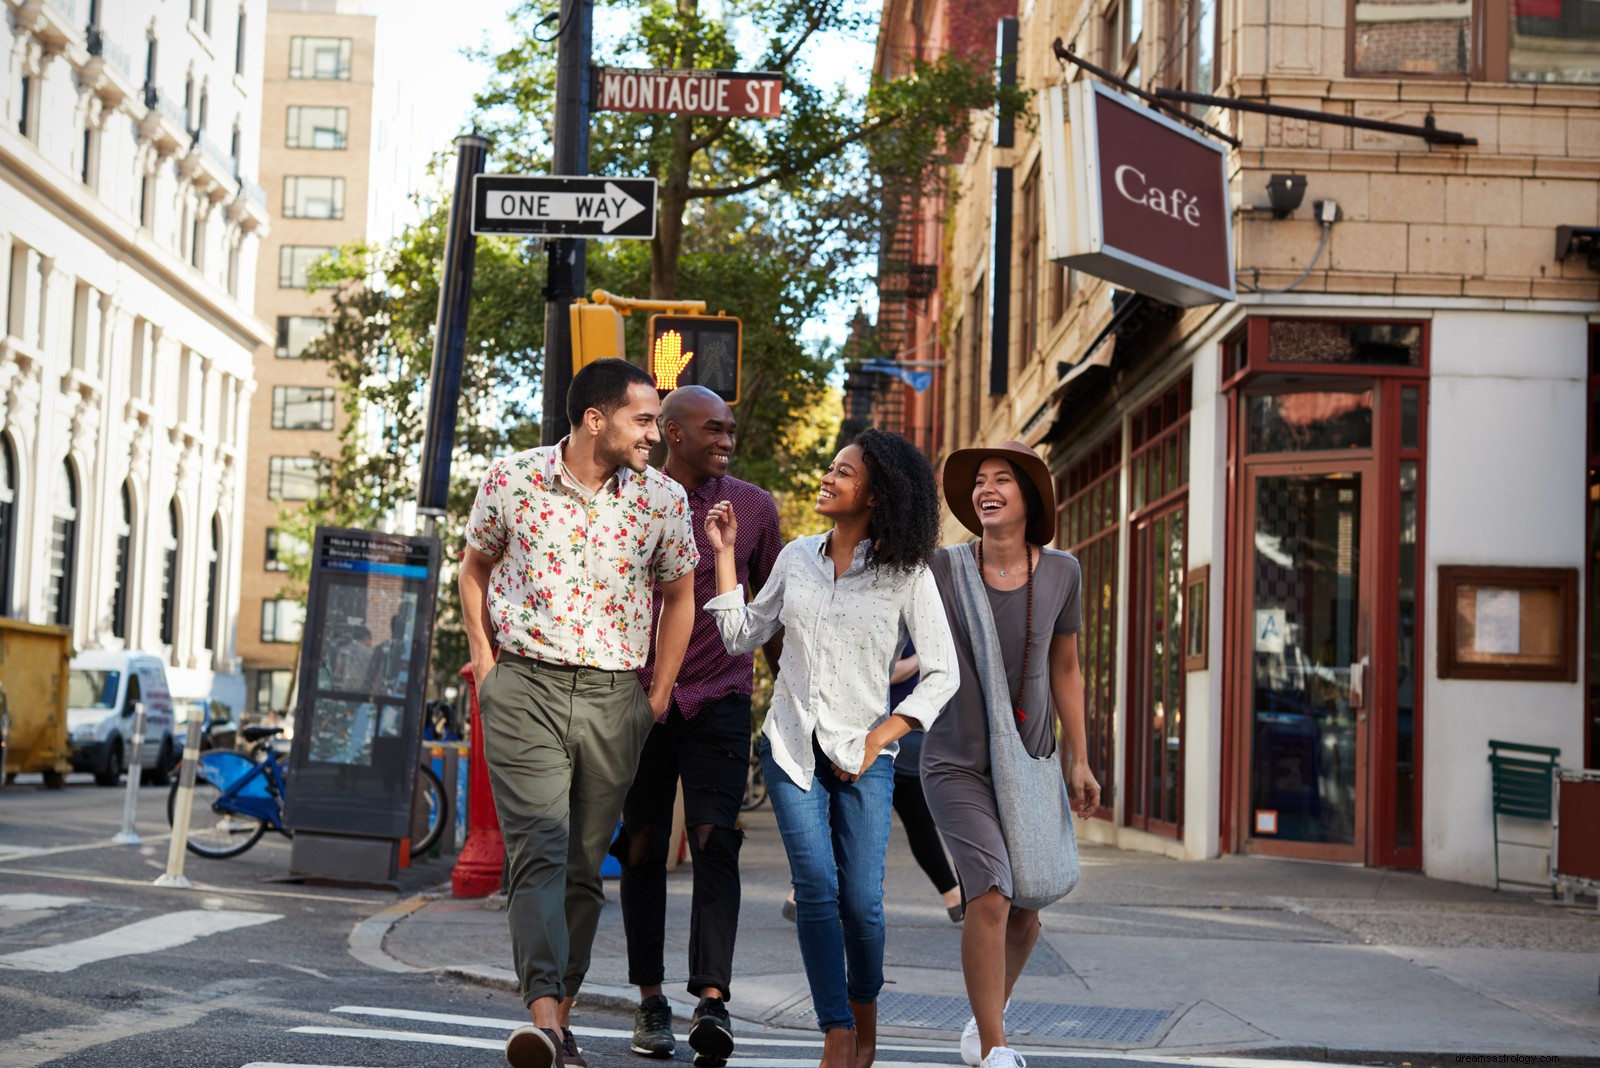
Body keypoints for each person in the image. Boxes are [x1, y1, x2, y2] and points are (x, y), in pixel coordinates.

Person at [459, 358, 700, 1068]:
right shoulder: (512, 479)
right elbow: (473, 567)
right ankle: (543, 1020)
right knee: (538, 848)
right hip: (524, 688)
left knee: (583, 868)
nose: (657, 433)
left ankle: (559, 1017)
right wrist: (486, 666)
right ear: (597, 418)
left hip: (613, 697)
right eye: (645, 418)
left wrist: (655, 695)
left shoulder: (660, 500)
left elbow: (681, 594)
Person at [704, 428, 959, 1068]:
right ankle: (837, 1029)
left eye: (843, 472)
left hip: (865, 759)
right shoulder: (795, 557)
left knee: (863, 906)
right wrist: (727, 553)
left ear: (876, 494)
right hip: (791, 749)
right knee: (816, 887)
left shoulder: (906, 575)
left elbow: (943, 672)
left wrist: (882, 737)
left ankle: (865, 1018)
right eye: (831, 467)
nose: (828, 477)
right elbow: (741, 636)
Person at [616, 386, 784, 1068]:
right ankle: (651, 1000)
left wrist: (792, 701)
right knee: (642, 845)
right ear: (673, 434)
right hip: (636, 698)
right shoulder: (628, 501)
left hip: (719, 697)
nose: (727, 438)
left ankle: (711, 1000)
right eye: (713, 428)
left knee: (717, 841)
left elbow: (772, 613)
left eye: (731, 428)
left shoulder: (753, 508)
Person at [921, 441, 1101, 1068]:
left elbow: (1067, 667)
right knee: (991, 894)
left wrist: (1079, 758)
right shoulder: (943, 568)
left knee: (1026, 909)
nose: (985, 488)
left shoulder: (1062, 573)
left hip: (1029, 760)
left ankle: (980, 1022)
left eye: (1002, 479)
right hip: (954, 759)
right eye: (978, 481)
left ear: (1030, 496)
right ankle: (996, 1048)